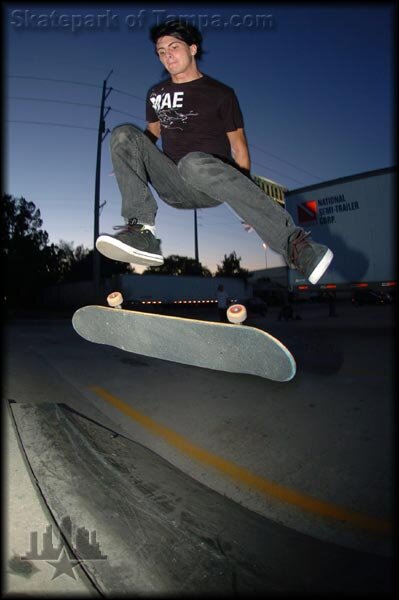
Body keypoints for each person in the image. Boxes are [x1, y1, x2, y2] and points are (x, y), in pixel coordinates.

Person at [96, 20, 333, 284]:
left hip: (207, 182)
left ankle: (296, 247)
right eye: (161, 51)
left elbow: (239, 148)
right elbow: (151, 134)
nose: (167, 56)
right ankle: (142, 233)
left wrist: (248, 203)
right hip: (172, 185)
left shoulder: (221, 94)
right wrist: (131, 158)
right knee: (123, 134)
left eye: (173, 47)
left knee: (192, 163)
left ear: (193, 49)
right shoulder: (156, 93)